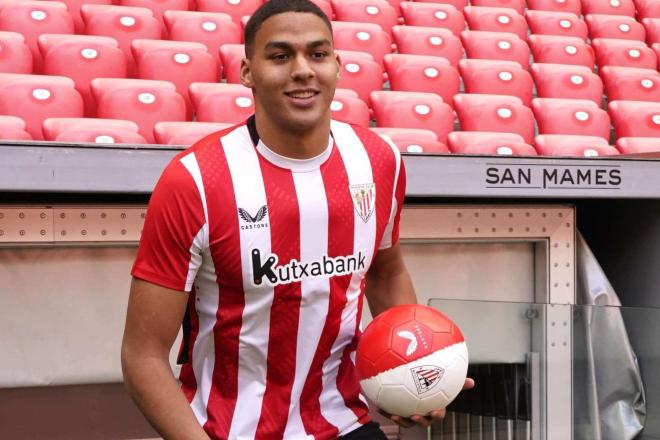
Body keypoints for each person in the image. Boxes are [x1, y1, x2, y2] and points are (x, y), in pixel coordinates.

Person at [121, 1, 473, 439]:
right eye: (281, 55)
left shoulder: (379, 161)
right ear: (247, 72)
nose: (303, 70)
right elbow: (143, 356)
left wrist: (415, 373)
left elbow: (386, 272)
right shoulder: (194, 181)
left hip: (344, 421)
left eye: (318, 54)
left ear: (338, 66)